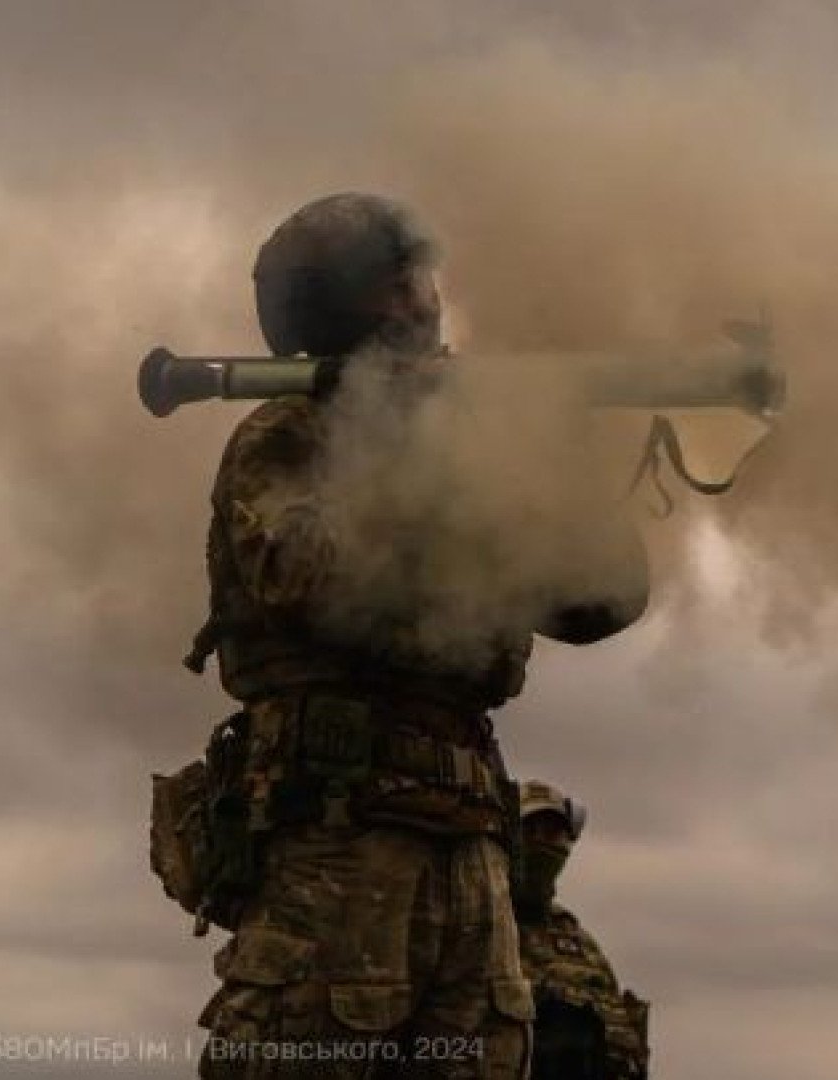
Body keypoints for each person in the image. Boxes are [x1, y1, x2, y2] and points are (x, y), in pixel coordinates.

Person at [185, 193, 649, 1079]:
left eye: (421, 281)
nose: (423, 303)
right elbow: (301, 575)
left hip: (472, 853)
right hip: (338, 850)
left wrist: (545, 459)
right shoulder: (285, 434)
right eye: (394, 287)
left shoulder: (468, 440)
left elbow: (602, 602)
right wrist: (400, 444)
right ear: (336, 307)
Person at [513, 780, 652, 1080]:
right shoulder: (482, 928)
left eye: (551, 833)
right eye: (528, 831)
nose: (541, 843)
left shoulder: (580, 944)